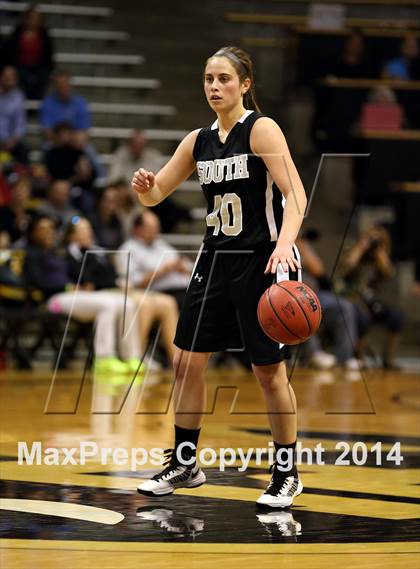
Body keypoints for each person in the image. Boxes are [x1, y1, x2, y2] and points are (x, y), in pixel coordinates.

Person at [132, 46, 307, 508]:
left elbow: (296, 195)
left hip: (262, 258)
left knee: (268, 372)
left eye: (224, 78)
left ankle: (287, 472)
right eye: (208, 78)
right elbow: (158, 194)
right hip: (214, 259)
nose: (214, 86)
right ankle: (185, 463)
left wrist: (286, 245)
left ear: (245, 84)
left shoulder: (261, 129)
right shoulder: (197, 140)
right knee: (186, 362)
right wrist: (148, 190)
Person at [336, 225, 404, 369]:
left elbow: (389, 274)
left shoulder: (379, 258)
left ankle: (388, 360)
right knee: (363, 316)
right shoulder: (354, 251)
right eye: (372, 239)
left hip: (372, 300)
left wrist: (381, 253)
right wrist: (361, 247)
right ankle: (359, 358)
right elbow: (346, 266)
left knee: (397, 317)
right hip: (351, 297)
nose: (374, 243)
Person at [116, 210, 192, 309]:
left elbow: (188, 266)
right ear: (137, 229)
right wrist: (162, 271)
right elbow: (134, 282)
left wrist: (182, 267)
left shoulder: (160, 244)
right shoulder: (128, 249)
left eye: (157, 227)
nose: (156, 231)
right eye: (151, 228)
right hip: (159, 292)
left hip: (184, 288)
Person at [6, 4, 54, 99]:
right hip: (20, 67)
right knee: (18, 75)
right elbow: (10, 52)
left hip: (39, 69)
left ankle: (35, 105)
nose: (33, 20)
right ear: (26, 17)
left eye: (36, 17)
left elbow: (48, 56)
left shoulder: (44, 34)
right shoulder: (18, 31)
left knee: (42, 77)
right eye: (31, 17)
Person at [39, 70, 90, 140]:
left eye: (65, 84)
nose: (63, 87)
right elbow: (46, 131)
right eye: (60, 84)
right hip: (54, 142)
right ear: (55, 86)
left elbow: (84, 130)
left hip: (76, 142)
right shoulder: (47, 103)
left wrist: (70, 138)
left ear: (70, 85)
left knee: (89, 150)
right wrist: (60, 139)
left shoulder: (80, 102)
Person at [0, 66, 28, 164]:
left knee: (23, 150)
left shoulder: (18, 97)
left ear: (16, 79)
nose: (8, 79)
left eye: (11, 77)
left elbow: (20, 126)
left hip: (9, 142)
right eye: (6, 76)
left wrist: (12, 142)